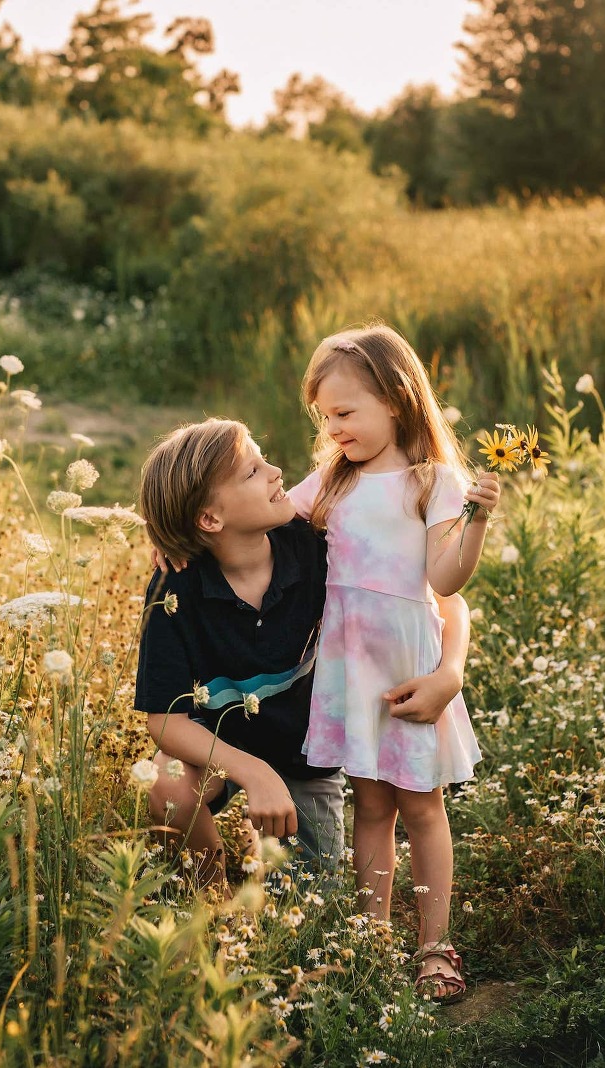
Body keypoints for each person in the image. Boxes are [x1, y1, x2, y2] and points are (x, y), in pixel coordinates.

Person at [133, 417, 472, 890]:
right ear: (209, 519)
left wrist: (450, 673)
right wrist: (253, 774)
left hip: (304, 753)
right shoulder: (177, 586)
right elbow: (164, 722)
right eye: (252, 472)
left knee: (314, 893)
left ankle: (266, 844)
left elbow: (441, 602)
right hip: (220, 747)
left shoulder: (314, 544)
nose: (276, 472)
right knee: (168, 790)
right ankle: (211, 904)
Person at [286, 323, 499, 1004]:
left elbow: (446, 580)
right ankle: (372, 939)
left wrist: (476, 522)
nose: (336, 429)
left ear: (398, 401)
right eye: (327, 417)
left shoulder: (433, 482)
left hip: (408, 666)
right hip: (352, 669)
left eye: (346, 413)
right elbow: (261, 517)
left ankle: (435, 945)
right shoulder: (331, 480)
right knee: (370, 805)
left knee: (422, 806)